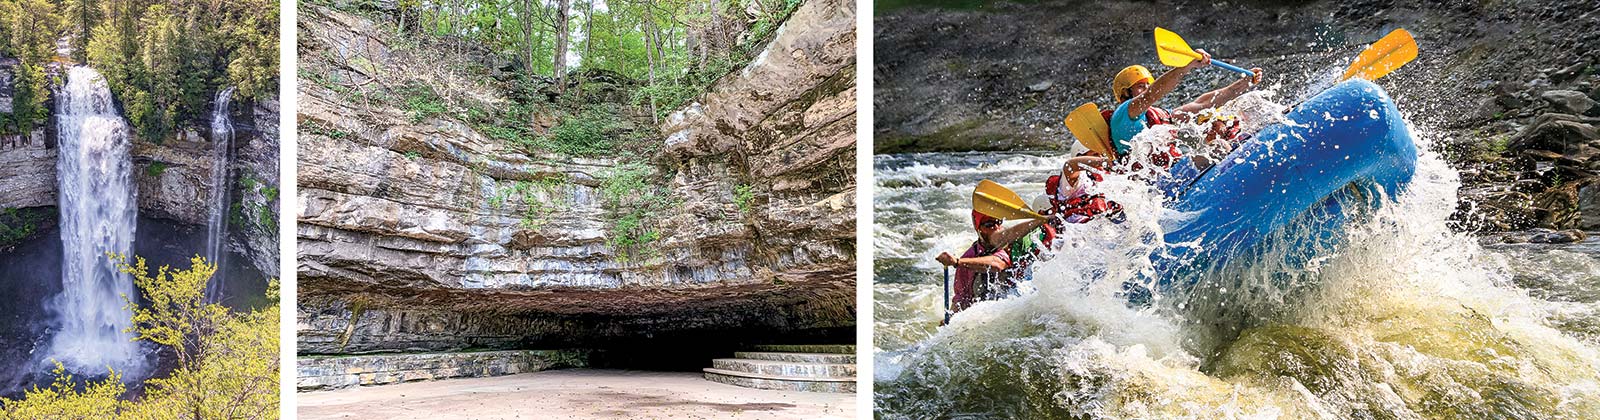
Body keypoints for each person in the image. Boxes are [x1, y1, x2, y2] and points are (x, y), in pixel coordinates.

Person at [1109, 50, 1263, 155]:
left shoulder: (1154, 116)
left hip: (1169, 174)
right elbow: (1152, 94)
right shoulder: (1124, 113)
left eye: (1148, 84)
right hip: (1152, 185)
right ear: (1125, 93)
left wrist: (1243, 83)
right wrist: (1186, 66)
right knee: (1218, 147)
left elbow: (1203, 104)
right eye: (1140, 86)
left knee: (1221, 128)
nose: (1147, 88)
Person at [937, 210, 1049, 318]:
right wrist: (952, 318)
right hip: (992, 310)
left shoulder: (1011, 244)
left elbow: (998, 264)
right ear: (978, 229)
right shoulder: (967, 258)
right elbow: (961, 298)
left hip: (1020, 299)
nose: (996, 227)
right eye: (989, 224)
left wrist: (1043, 220)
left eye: (998, 222)